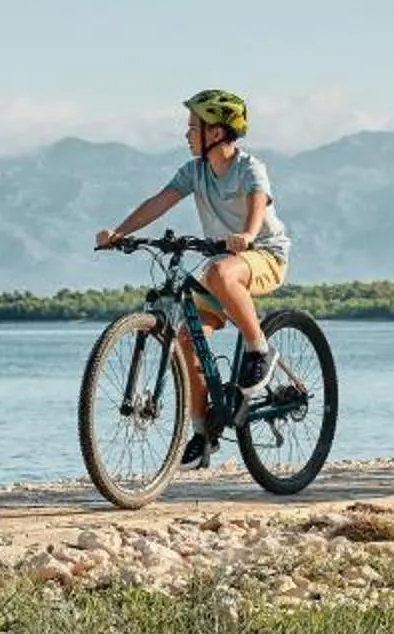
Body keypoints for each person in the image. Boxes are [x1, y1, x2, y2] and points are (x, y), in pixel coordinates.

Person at [96, 88, 291, 467]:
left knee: (219, 270)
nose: (187, 134)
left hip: (264, 255)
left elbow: (256, 204)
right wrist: (119, 233)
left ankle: (259, 348)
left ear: (216, 133)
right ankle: (203, 433)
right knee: (186, 336)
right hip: (224, 264)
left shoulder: (249, 167)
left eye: (193, 127)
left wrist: (248, 236)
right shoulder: (195, 171)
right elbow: (159, 200)